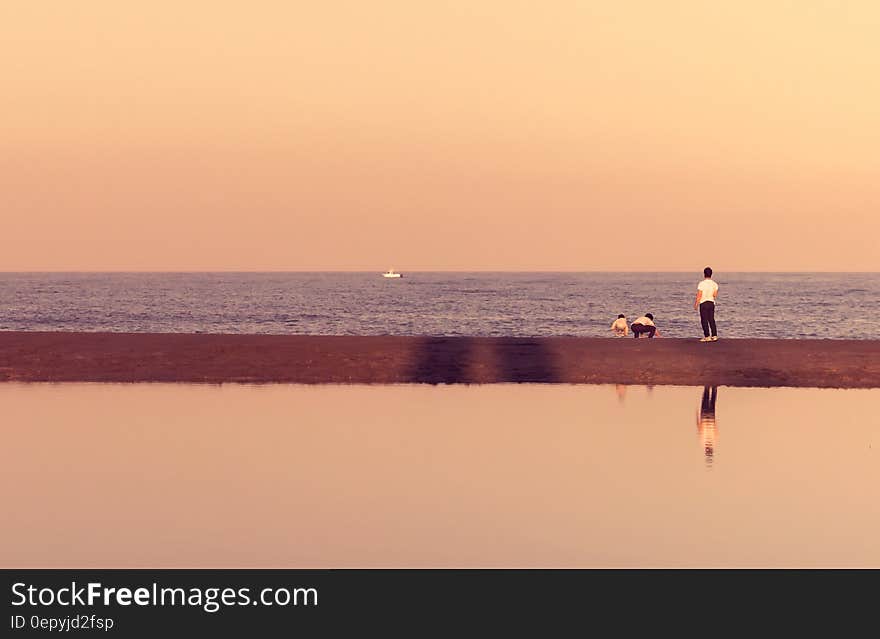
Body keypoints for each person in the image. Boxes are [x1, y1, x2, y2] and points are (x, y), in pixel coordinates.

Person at [694, 267, 719, 342]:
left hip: (703, 303)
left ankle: (707, 336)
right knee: (711, 319)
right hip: (711, 302)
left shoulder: (701, 284)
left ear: (704, 274)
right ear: (711, 274)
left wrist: (696, 304)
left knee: (704, 320)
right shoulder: (715, 284)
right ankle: (714, 335)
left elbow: (699, 295)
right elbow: (715, 295)